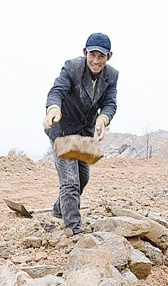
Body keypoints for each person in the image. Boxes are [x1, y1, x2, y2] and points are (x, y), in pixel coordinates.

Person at [43, 32, 118, 235]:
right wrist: (53, 110)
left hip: (84, 134)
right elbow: (56, 91)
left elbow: (110, 103)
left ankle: (60, 210)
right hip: (63, 131)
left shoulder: (112, 75)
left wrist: (103, 119)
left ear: (108, 56)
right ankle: (73, 228)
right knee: (70, 182)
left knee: (83, 178)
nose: (95, 60)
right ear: (85, 53)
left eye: (101, 56)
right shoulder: (72, 67)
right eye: (92, 54)